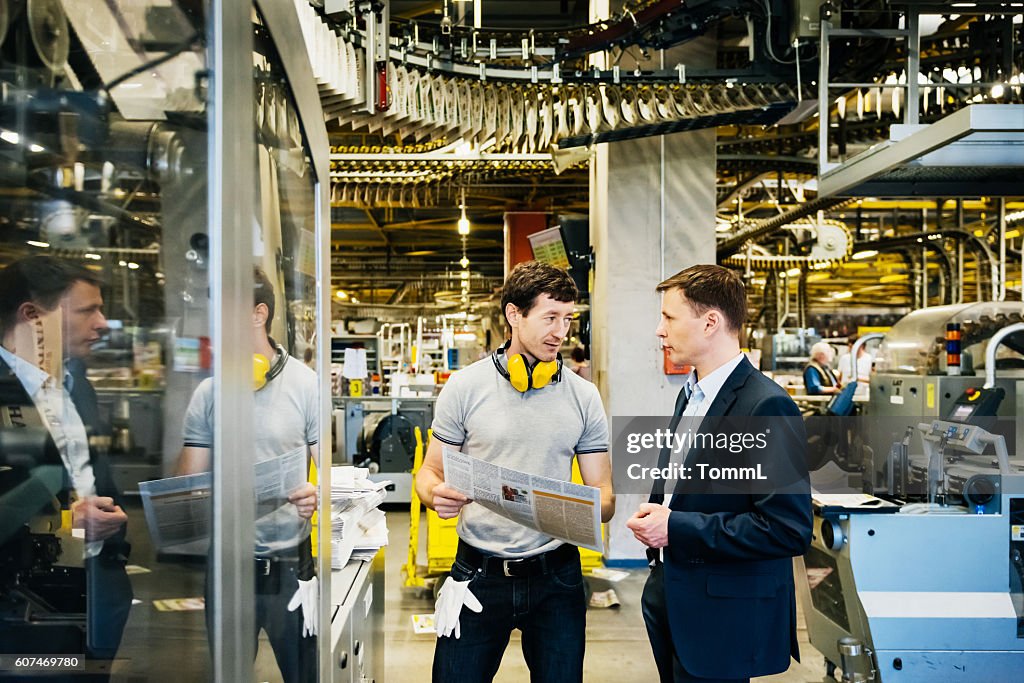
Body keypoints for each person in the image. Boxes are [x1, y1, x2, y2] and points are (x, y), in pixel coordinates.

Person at [414, 260, 614, 683]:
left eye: (567, 319)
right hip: (477, 575)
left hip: (556, 579)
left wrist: (581, 509)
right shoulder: (465, 387)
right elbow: (429, 474)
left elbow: (605, 495)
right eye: (550, 318)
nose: (561, 332)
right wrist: (436, 495)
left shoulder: (584, 397)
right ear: (513, 315)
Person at [626, 264, 812, 683]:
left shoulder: (765, 407)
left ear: (710, 322)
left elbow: (787, 529)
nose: (659, 330)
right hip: (675, 594)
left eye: (669, 318)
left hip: (722, 616)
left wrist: (676, 527)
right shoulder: (692, 395)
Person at [176, 268, 319, 683]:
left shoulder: (305, 385)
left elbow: (328, 476)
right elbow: (187, 487)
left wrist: (316, 491)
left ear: (259, 314)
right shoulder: (209, 392)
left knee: (303, 673)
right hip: (227, 565)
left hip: (291, 564)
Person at [0, 255, 133, 675]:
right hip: (24, 612)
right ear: (32, 317)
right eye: (86, 310)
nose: (102, 323)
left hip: (94, 594)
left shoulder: (76, 385)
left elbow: (87, 475)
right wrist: (69, 525)